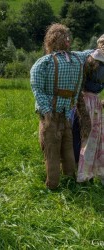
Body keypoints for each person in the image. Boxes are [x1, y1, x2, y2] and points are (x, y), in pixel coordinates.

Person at [30, 23, 91, 190]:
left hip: (52, 115)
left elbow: (37, 89)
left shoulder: (44, 62)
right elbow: (91, 53)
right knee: (67, 147)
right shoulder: (78, 59)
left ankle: (52, 185)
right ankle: (70, 179)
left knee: (51, 151)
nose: (68, 39)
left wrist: (46, 112)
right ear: (63, 40)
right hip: (66, 113)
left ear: (50, 40)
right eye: (66, 37)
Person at [75, 34, 104, 184]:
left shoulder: (90, 58)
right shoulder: (92, 60)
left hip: (93, 102)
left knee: (92, 138)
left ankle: (88, 173)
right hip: (88, 102)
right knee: (89, 138)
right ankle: (85, 174)